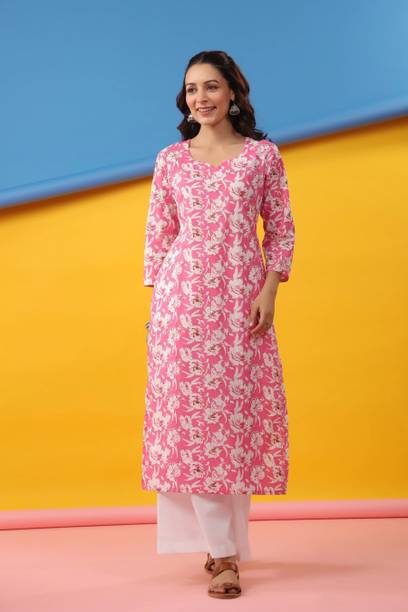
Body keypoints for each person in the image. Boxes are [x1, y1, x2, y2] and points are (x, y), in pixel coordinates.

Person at [142, 50, 295, 599]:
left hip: (241, 305)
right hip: (183, 307)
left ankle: (227, 545)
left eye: (210, 86)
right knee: (193, 428)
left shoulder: (261, 157)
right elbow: (159, 236)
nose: (200, 98)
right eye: (191, 89)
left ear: (233, 92)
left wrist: (269, 290)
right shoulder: (171, 160)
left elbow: (281, 228)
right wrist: (158, 311)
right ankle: (223, 556)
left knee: (235, 423)